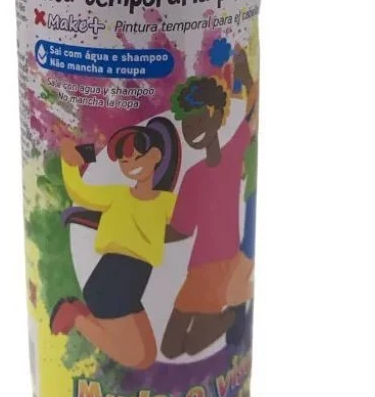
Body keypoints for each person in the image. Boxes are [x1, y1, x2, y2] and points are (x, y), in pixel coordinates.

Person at [49, 117, 180, 369]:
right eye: (125, 161)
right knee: (137, 357)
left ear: (155, 156)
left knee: (146, 354)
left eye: (137, 157)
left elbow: (192, 215)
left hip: (132, 282)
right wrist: (69, 162)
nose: (131, 165)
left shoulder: (166, 202)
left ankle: (80, 315)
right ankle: (75, 317)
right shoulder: (117, 195)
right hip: (112, 280)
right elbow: (80, 192)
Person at [161, 48, 258, 358]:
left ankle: (231, 316)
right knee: (171, 348)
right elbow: (182, 229)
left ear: (216, 116)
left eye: (198, 120)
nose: (192, 130)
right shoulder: (192, 175)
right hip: (198, 267)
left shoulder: (232, 152)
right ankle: (231, 314)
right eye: (187, 126)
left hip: (217, 263)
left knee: (184, 347)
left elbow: (254, 114)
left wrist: (245, 75)